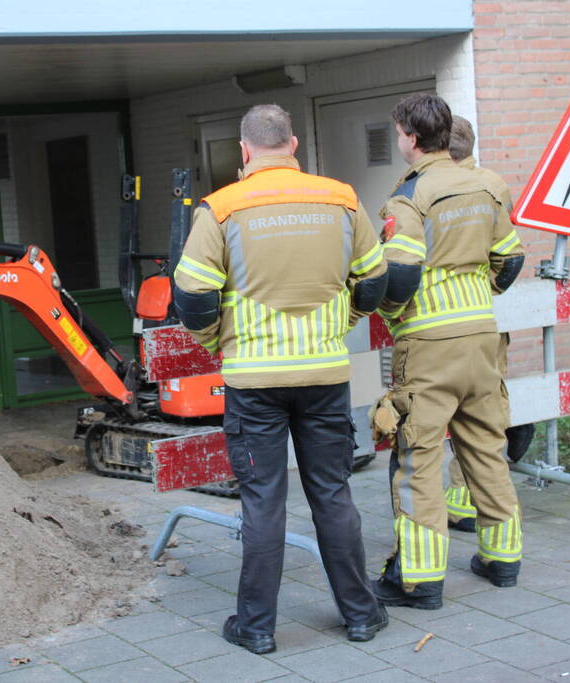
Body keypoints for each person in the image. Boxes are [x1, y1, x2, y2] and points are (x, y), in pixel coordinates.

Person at [174, 104, 390, 654]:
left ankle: (257, 628)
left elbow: (194, 295)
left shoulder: (221, 209)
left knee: (264, 502)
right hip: (324, 376)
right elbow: (374, 279)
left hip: (253, 382)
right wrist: (341, 325)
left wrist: (217, 344)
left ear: (245, 151)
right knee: (332, 493)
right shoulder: (341, 199)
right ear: (292, 144)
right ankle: (361, 615)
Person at [372, 94, 526, 610]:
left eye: (398, 134)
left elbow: (402, 273)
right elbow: (510, 258)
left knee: (418, 457)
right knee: (486, 446)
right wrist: (476, 297)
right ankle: (502, 560)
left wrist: (393, 316)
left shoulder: (407, 198)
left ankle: (418, 580)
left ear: (411, 138)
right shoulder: (487, 186)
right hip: (484, 338)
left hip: (429, 346)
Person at [443, 115, 535, 533]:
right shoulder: (494, 185)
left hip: (439, 326)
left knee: (446, 416)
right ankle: (473, 504)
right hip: (486, 320)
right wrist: (490, 291)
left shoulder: (424, 189)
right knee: (484, 414)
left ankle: (458, 504)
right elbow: (507, 256)